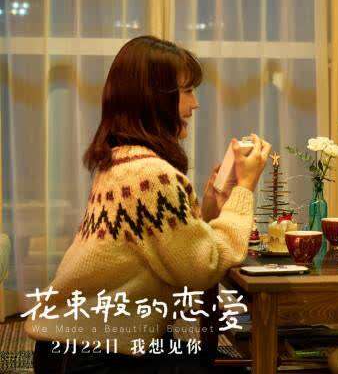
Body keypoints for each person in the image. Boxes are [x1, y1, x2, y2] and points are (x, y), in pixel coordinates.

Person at [25, 36, 271, 373]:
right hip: (95, 355)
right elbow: (202, 269)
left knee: (212, 360)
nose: (195, 103)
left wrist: (212, 207)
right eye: (187, 91)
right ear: (154, 99)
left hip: (70, 347)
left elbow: (168, 248)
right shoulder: (151, 176)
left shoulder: (123, 161)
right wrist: (244, 188)